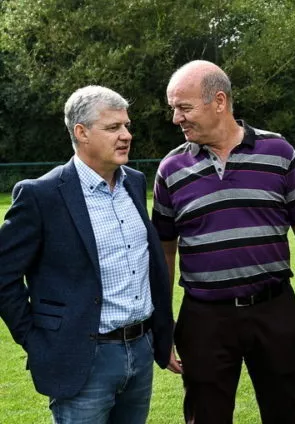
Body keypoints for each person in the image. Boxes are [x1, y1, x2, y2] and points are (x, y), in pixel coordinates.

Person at [152, 60, 295, 424]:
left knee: (287, 414)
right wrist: (163, 323)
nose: (176, 118)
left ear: (219, 101)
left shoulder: (278, 152)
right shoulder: (170, 169)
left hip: (273, 308)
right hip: (203, 317)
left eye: (184, 108)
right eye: (173, 108)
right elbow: (164, 250)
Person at [0, 85, 174, 423]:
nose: (126, 135)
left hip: (140, 350)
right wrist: (36, 339)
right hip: (81, 357)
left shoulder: (134, 183)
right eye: (113, 128)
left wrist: (160, 334)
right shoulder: (42, 195)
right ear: (81, 132)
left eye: (126, 125)